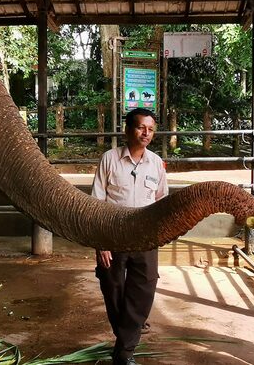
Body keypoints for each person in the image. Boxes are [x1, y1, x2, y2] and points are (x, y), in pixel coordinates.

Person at [91, 108, 168, 365]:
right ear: (128, 130)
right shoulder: (109, 160)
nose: (146, 133)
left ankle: (124, 353)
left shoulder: (156, 163)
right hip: (113, 236)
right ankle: (126, 344)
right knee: (112, 289)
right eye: (141, 127)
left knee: (143, 291)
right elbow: (96, 203)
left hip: (145, 239)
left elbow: (161, 203)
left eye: (151, 129)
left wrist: (159, 235)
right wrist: (101, 243)